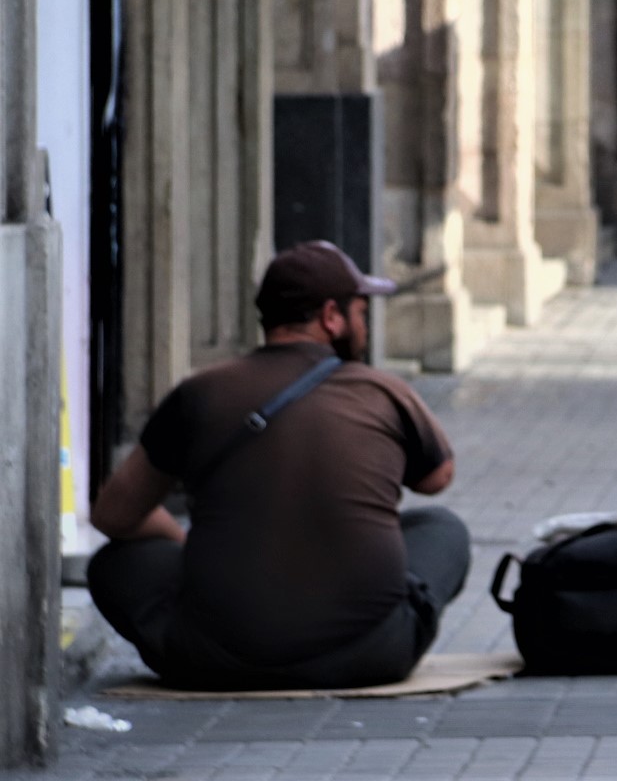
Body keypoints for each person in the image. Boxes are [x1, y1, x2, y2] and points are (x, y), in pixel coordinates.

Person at [88, 242, 468, 690]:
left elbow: (113, 515)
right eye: (361, 313)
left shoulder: (200, 393)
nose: (365, 327)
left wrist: (183, 543)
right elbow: (437, 478)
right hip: (372, 656)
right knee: (442, 529)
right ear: (331, 316)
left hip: (216, 659)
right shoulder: (384, 391)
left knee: (114, 564)